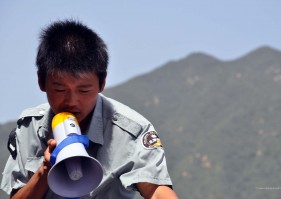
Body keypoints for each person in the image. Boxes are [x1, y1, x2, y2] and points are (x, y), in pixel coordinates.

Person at [0, 20, 178, 199]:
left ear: (102, 83)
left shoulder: (132, 131)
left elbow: (156, 191)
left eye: (84, 90)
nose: (71, 101)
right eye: (60, 90)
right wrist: (44, 170)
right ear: (41, 81)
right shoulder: (31, 127)